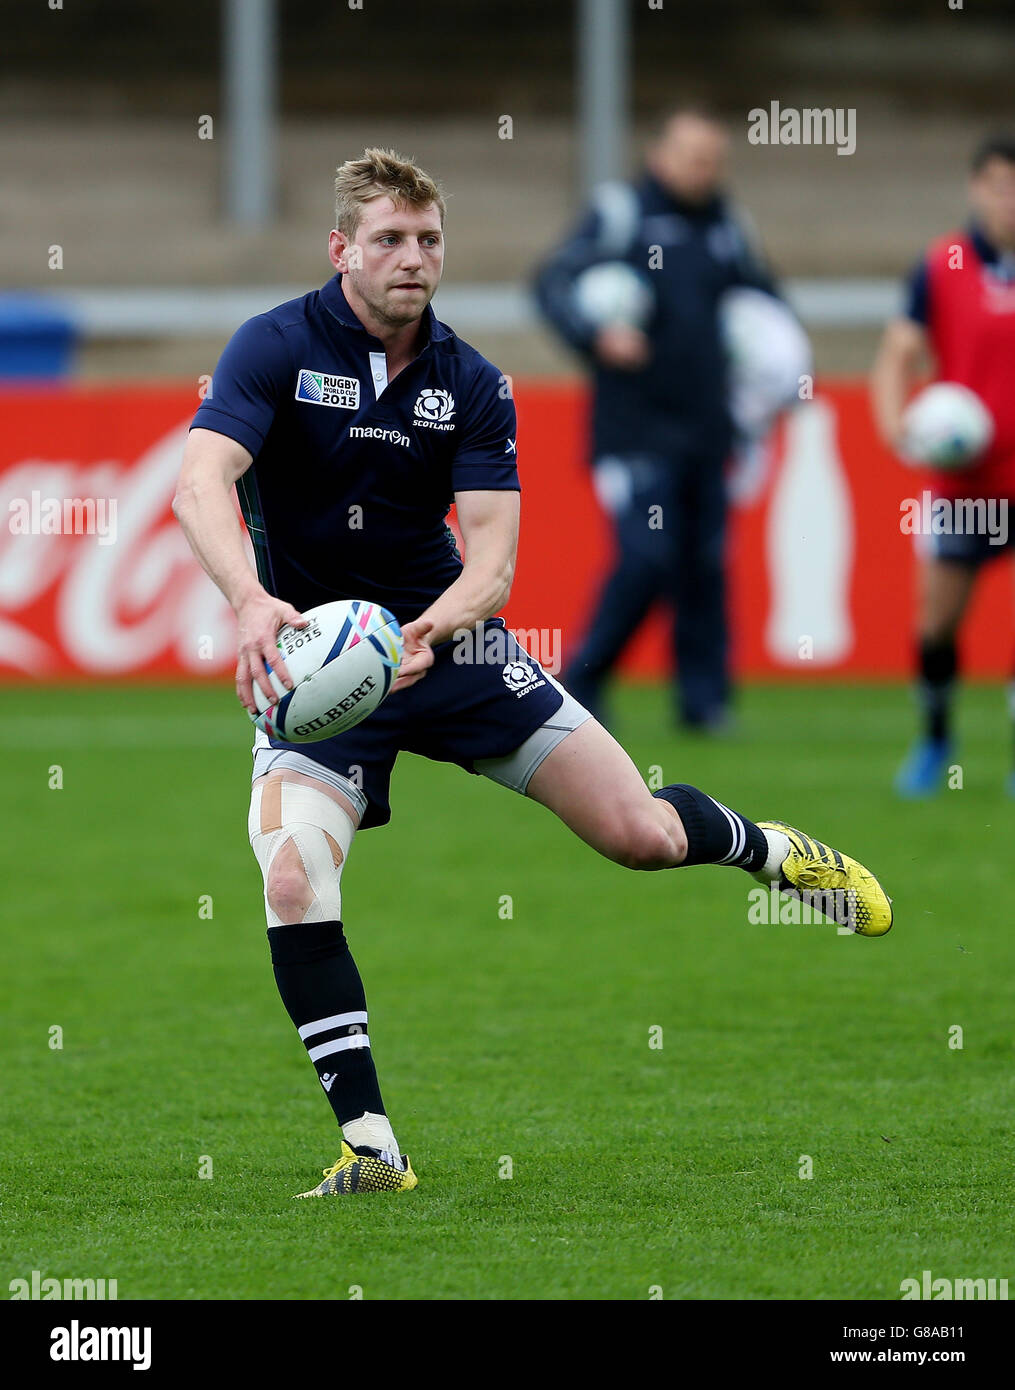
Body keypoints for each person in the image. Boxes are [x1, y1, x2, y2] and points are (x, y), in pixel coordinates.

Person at [173, 149, 891, 1198]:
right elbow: (201, 482)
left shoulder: (471, 381)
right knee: (290, 878)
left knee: (637, 835)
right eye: (388, 240)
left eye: (428, 240)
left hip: (450, 649)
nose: (412, 259)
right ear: (341, 250)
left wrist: (430, 628)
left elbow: (496, 562)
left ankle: (773, 851)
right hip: (316, 669)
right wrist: (248, 600)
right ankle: (371, 1145)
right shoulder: (273, 347)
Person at [534, 109, 777, 732]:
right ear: (661, 155)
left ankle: (704, 704)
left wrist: (770, 365)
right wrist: (596, 333)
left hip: (708, 428)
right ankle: (582, 680)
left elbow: (764, 306)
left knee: (704, 564)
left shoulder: (728, 224)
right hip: (636, 427)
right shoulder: (623, 214)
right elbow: (552, 281)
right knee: (647, 555)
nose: (705, 171)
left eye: (714, 160)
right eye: (694, 157)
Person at [871, 133, 1015, 796]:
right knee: (935, 624)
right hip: (963, 483)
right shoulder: (942, 263)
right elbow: (898, 352)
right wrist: (896, 427)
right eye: (998, 184)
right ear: (976, 187)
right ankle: (933, 740)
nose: (1008, 199)